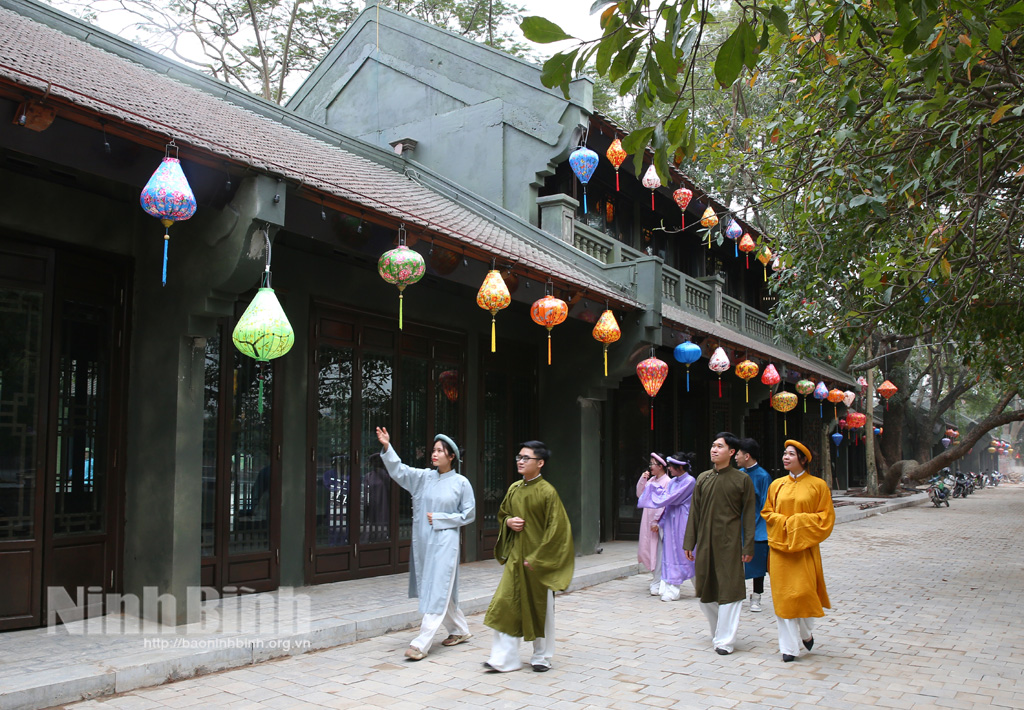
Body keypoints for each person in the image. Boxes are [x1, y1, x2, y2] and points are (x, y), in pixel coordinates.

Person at [375, 426, 476, 661]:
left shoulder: (461, 483)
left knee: (436, 589)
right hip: (425, 543)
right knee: (441, 589)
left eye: (440, 451)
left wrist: (441, 518)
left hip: (446, 544)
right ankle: (460, 630)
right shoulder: (424, 478)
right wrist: (388, 447)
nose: (435, 454)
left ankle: (421, 643)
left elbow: (469, 514)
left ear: (451, 457)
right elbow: (399, 471)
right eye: (434, 450)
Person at [483, 441, 574, 673]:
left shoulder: (548, 492)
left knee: (541, 609)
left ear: (540, 463)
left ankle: (542, 656)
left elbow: (558, 530)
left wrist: (539, 558)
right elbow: (503, 514)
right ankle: (503, 658)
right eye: (519, 457)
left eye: (526, 458)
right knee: (505, 604)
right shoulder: (514, 488)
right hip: (516, 558)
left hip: (537, 562)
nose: (520, 461)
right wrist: (508, 522)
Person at [683, 432, 756, 655]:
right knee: (706, 594)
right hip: (705, 543)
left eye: (719, 446)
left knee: (730, 591)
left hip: (730, 544)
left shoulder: (742, 480)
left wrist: (748, 546)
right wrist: (689, 542)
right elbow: (694, 512)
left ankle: (725, 641)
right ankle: (718, 632)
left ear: (731, 452)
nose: (714, 450)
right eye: (713, 446)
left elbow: (749, 515)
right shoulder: (703, 478)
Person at [762, 439, 836, 663]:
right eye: (785, 453)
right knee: (784, 597)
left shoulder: (818, 485)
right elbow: (767, 512)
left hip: (805, 549)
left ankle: (806, 632)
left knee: (804, 594)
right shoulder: (776, 485)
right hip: (780, 550)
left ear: (803, 459)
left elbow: (825, 518)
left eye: (791, 454)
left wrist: (798, 523)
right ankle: (789, 648)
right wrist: (783, 523)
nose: (785, 457)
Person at [638, 451, 697, 601]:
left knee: (685, 552)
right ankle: (671, 586)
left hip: (682, 520)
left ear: (680, 467)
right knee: (670, 553)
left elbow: (671, 498)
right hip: (670, 520)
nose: (669, 468)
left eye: (671, 466)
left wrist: (652, 490)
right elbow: (667, 500)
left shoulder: (689, 481)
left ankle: (696, 585)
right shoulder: (674, 481)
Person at [736, 438, 772, 612]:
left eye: (738, 453)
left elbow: (767, 504)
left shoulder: (764, 477)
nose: (735, 456)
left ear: (747, 455)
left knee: (757, 565)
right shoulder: (739, 474)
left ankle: (756, 596)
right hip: (738, 526)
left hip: (758, 526)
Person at [635, 453, 670, 596]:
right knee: (647, 548)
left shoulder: (667, 481)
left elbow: (664, 503)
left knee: (658, 551)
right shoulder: (651, 481)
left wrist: (657, 520)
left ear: (661, 466)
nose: (650, 467)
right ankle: (656, 579)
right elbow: (640, 494)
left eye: (653, 464)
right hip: (647, 519)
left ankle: (658, 580)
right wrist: (643, 480)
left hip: (658, 522)